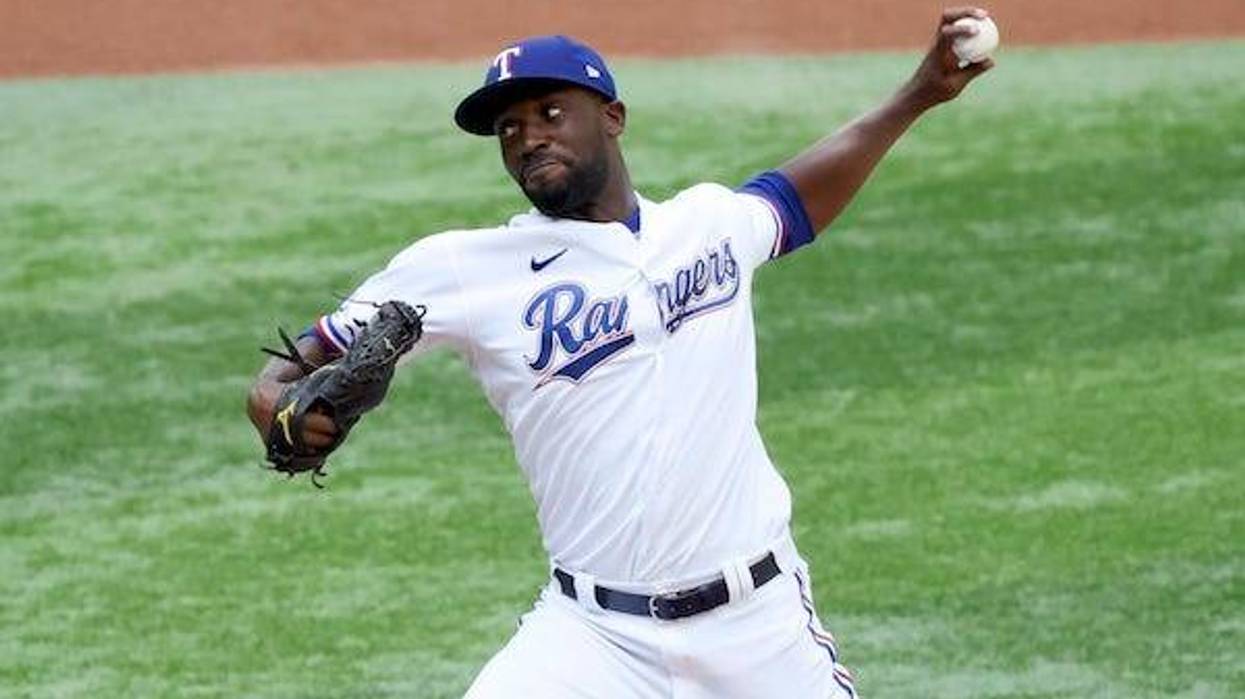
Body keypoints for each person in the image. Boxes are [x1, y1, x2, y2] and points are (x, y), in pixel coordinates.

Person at [247, 8, 993, 697]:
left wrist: (918, 94)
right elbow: (283, 377)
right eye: (508, 127)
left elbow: (796, 197)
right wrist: (284, 412)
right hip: (591, 635)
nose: (528, 136)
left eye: (548, 112)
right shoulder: (458, 268)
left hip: (758, 626)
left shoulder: (707, 226)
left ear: (611, 116)